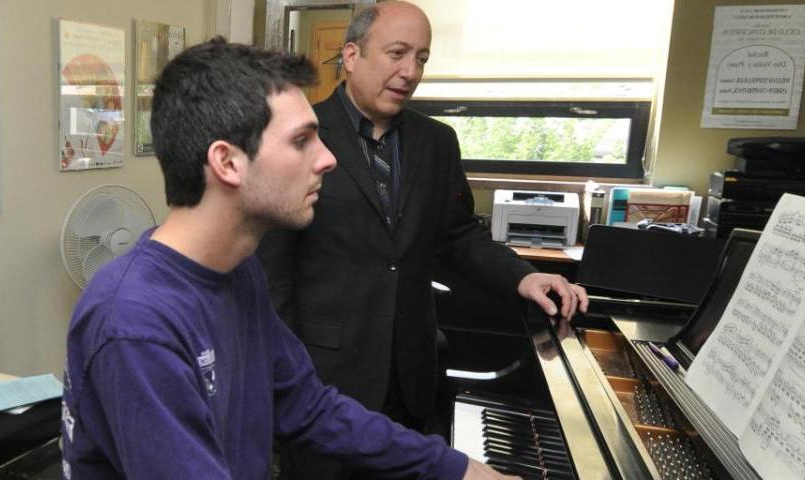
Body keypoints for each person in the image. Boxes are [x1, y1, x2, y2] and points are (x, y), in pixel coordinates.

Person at [62, 38, 516, 480]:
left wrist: (458, 467)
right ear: (228, 162)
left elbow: (308, 406)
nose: (328, 159)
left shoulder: (238, 274)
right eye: (302, 141)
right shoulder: (135, 323)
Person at [256, 3, 588, 478]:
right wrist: (286, 376)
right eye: (396, 53)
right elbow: (273, 274)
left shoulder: (437, 142)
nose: (409, 72)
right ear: (351, 55)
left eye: (422, 58)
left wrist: (526, 277)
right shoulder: (299, 134)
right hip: (325, 380)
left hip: (413, 375)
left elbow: (458, 236)